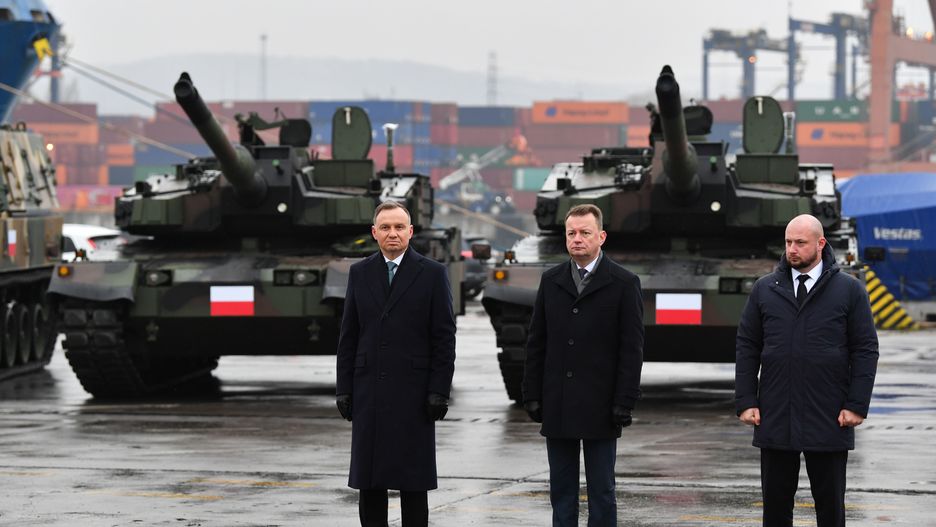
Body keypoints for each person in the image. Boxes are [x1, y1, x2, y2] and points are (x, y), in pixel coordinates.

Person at [735, 213, 879, 527]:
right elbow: (747, 346)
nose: (792, 249)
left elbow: (866, 349)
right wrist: (746, 401)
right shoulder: (765, 289)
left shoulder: (849, 290)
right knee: (775, 509)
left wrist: (856, 405)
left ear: (820, 244)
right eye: (788, 242)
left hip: (828, 415)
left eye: (800, 243)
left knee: (829, 509)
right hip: (776, 414)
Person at [335, 201, 456, 527]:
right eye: (385, 227)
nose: (393, 233)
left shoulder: (432, 274)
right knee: (370, 483)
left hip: (414, 396)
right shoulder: (360, 273)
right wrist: (344, 388)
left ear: (410, 232)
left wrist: (439, 391)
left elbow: (444, 338)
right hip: (368, 393)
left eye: (399, 227)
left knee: (413, 484)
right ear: (374, 233)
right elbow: (349, 335)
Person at [522, 203, 644, 527]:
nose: (577, 239)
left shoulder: (623, 283)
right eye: (571, 233)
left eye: (585, 233)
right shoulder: (551, 281)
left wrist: (624, 401)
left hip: (602, 405)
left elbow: (631, 350)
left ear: (601, 236)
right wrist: (531, 393)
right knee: (561, 491)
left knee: (602, 491)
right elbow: (537, 341)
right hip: (558, 402)